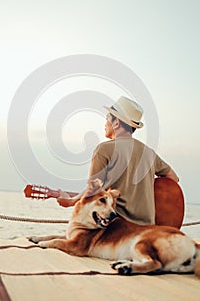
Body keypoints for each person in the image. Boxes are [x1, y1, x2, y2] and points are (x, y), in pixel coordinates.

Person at [57, 96, 179, 225]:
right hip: (148, 227)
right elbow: (173, 178)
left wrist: (70, 202)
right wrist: (145, 191)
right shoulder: (148, 153)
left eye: (107, 119)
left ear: (116, 123)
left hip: (117, 226)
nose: (105, 124)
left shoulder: (104, 149)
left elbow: (93, 190)